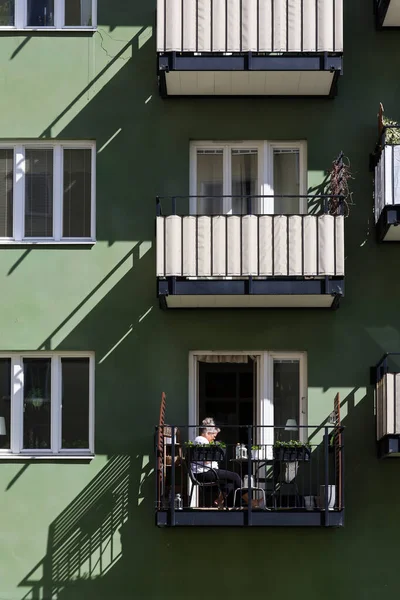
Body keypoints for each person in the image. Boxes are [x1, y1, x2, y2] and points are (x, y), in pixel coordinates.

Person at [191, 417, 242, 508]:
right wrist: (216, 452)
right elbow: (206, 460)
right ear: (208, 433)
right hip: (204, 473)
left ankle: (219, 501)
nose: (214, 438)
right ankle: (251, 502)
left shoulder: (202, 441)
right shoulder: (201, 440)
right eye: (213, 435)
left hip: (207, 471)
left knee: (230, 481)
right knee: (236, 477)